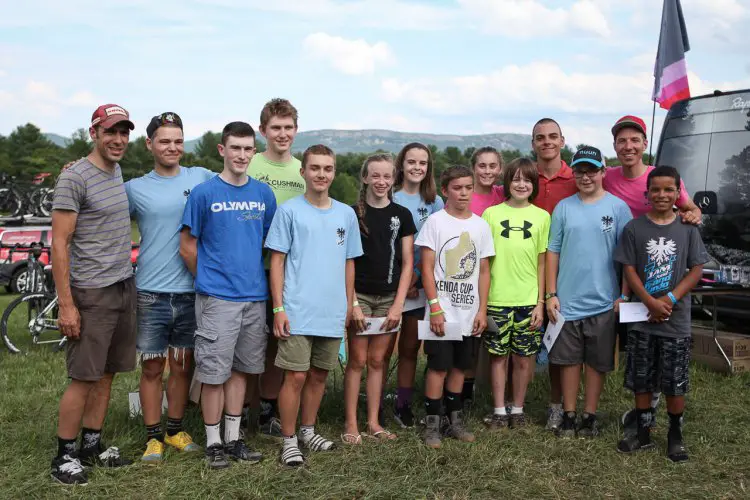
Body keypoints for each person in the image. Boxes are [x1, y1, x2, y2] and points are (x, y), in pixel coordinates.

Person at [180, 121, 276, 469]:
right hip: (217, 298)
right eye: (234, 147)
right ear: (222, 150)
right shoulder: (204, 193)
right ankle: (213, 442)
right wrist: (207, 279)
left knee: (241, 370)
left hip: (254, 296)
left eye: (248, 148)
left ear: (254, 151)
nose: (241, 154)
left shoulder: (263, 194)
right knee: (213, 372)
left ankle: (234, 439)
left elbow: (268, 243)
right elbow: (188, 246)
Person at [50, 104, 137, 485]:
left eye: (124, 132)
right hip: (91, 293)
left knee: (107, 375)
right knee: (84, 377)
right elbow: (59, 244)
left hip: (122, 286)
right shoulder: (74, 178)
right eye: (111, 132)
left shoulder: (115, 171)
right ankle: (63, 457)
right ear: (94, 133)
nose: (118, 140)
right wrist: (67, 305)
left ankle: (91, 444)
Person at [265, 144, 363, 467]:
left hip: (331, 311)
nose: (321, 174)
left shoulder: (345, 214)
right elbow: (276, 261)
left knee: (320, 374)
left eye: (328, 168)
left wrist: (349, 305)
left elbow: (349, 264)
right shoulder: (290, 211)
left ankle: (308, 429)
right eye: (315, 168)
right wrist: (279, 307)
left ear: (334, 172)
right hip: (297, 310)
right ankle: (289, 439)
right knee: (295, 376)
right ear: (303, 171)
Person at [604, 115, 702, 433]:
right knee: (639, 349)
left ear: (645, 144)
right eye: (622, 141)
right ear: (615, 146)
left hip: (667, 270)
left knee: (667, 354)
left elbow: (688, 210)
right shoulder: (608, 177)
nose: (628, 146)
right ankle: (645, 411)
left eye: (635, 140)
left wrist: (694, 212)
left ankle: (662, 411)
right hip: (629, 265)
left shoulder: (661, 177)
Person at [126, 112, 212, 462]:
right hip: (150, 290)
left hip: (191, 289)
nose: (172, 147)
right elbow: (99, 206)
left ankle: (175, 430)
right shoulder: (134, 188)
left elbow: (239, 177)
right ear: (149, 144)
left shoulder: (202, 178)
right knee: (151, 366)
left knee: (182, 364)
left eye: (178, 140)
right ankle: (152, 437)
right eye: (164, 141)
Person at [614, 166, 708, 462]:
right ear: (647, 193)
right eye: (656, 190)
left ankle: (675, 435)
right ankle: (642, 432)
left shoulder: (687, 228)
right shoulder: (634, 229)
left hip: (675, 321)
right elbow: (629, 269)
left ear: (678, 192)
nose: (662, 195)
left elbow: (696, 269)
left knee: (674, 381)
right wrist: (648, 302)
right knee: (642, 378)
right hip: (642, 319)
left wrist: (668, 299)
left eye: (669, 190)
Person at [545, 146, 632, 438]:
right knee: (569, 362)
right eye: (580, 171)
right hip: (567, 301)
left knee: (596, 363)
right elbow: (552, 251)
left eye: (591, 170)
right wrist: (551, 293)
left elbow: (627, 256)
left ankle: (589, 415)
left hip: (604, 301)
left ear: (603, 172)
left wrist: (623, 294)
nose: (585, 176)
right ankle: (569, 415)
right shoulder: (564, 208)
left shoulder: (617, 208)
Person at [417, 165, 494, 448]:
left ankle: (454, 420)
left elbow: (484, 270)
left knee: (461, 367)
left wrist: (482, 310)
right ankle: (432, 423)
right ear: (445, 190)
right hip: (442, 312)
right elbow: (426, 268)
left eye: (468, 187)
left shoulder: (480, 225)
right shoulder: (435, 223)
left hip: (469, 313)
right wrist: (435, 307)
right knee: (438, 368)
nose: (463, 193)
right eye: (457, 188)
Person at [342, 153, 416, 444]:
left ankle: (373, 422)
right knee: (357, 360)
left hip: (389, 299)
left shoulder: (403, 216)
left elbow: (408, 262)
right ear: (365, 178)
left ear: (393, 179)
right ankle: (350, 423)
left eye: (387, 176)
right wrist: (353, 304)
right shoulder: (352, 214)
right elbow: (345, 259)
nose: (381, 182)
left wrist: (398, 305)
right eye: (375, 175)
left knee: (377, 360)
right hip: (359, 294)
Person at [247, 98, 306, 438]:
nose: (282, 134)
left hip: (286, 271)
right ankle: (236, 411)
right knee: (245, 340)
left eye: (288, 128)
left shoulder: (301, 171)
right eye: (275, 128)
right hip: (248, 268)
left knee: (275, 341)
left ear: (296, 131)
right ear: (262, 131)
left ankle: (268, 409)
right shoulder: (249, 163)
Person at [482, 158, 550, 430]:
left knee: (524, 358)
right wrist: (483, 302)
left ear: (534, 185)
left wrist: (540, 302)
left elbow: (543, 261)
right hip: (497, 299)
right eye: (516, 179)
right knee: (498, 357)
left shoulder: (542, 217)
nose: (521, 184)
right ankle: (499, 409)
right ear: (507, 182)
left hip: (527, 300)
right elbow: (484, 262)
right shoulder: (491, 214)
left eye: (527, 180)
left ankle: (518, 408)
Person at [390, 143, 444, 429]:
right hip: (396, 284)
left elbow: (437, 244)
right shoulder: (390, 195)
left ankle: (414, 401)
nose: (417, 167)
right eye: (411, 161)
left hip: (424, 284)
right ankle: (397, 402)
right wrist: (404, 281)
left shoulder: (434, 201)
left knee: (418, 347)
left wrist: (418, 277)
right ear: (402, 164)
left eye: (422, 163)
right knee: (398, 348)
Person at [530, 118, 578, 432]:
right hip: (528, 268)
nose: (546, 142)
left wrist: (686, 204)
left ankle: (558, 406)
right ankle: (510, 401)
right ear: (533, 143)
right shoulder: (523, 177)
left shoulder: (578, 177)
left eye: (552, 137)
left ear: (562, 140)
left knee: (562, 342)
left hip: (568, 269)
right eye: (539, 138)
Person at [461, 146, 504, 406]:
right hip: (469, 275)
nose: (487, 171)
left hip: (499, 274)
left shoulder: (504, 195)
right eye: (482, 166)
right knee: (468, 338)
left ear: (500, 169)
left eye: (492, 166)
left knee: (492, 337)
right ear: (474, 167)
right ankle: (463, 394)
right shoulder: (465, 195)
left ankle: (488, 390)